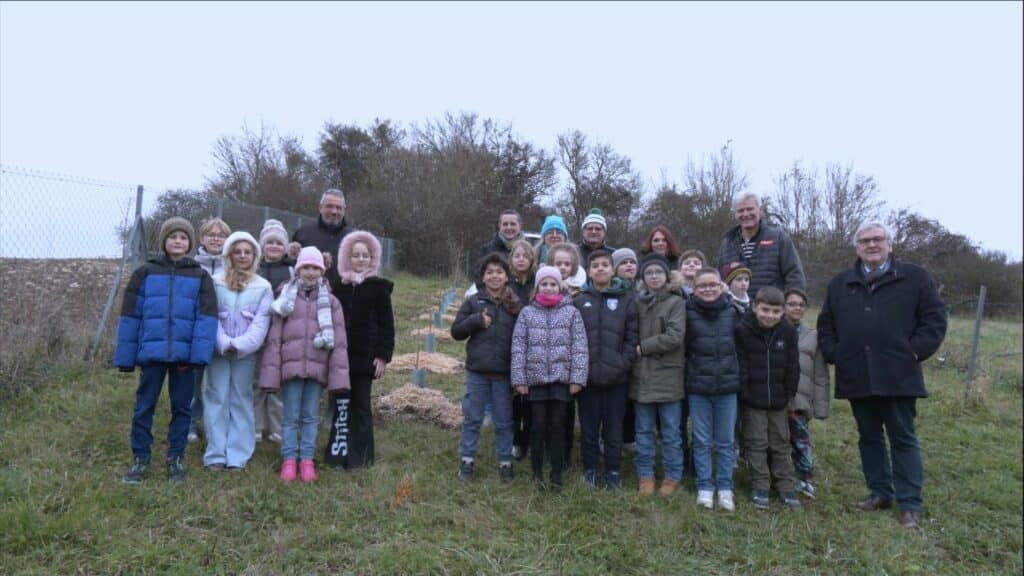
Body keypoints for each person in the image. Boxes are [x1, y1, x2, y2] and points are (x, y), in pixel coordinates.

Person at [817, 221, 947, 530]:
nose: (872, 245)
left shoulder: (914, 278)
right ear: (857, 248)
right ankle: (879, 492)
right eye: (865, 241)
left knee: (903, 437)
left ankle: (910, 504)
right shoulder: (841, 283)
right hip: (857, 373)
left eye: (878, 239)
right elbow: (826, 324)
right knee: (869, 437)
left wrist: (913, 353)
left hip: (898, 373)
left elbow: (934, 320)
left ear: (889, 244)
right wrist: (837, 354)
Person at [115, 217, 217, 484]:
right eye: (173, 237)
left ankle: (176, 459)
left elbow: (206, 320)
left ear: (190, 243)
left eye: (184, 237)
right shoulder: (145, 273)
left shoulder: (200, 276)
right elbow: (130, 317)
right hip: (151, 354)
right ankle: (140, 458)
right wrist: (126, 357)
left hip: (184, 357)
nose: (178, 241)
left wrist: (199, 356)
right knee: (144, 406)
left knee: (182, 408)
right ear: (164, 240)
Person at [260, 247, 349, 484]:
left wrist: (338, 377)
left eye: (315, 268)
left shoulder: (331, 303)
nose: (310, 272)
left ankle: (307, 459)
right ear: (298, 270)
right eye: (306, 267)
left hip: (317, 370)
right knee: (290, 417)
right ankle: (289, 459)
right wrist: (271, 374)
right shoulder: (284, 299)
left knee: (310, 416)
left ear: (322, 271)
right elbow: (274, 339)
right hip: (291, 369)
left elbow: (339, 343)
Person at [511, 265, 588, 491]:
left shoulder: (571, 312)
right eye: (544, 284)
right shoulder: (527, 313)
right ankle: (536, 473)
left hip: (561, 380)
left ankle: (557, 472)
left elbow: (580, 347)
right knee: (537, 425)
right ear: (537, 287)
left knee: (557, 426)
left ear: (559, 287)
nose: (548, 287)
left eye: (552, 284)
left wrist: (577, 378)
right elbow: (518, 347)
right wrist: (519, 379)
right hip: (534, 381)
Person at [204, 231, 273, 471]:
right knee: (216, 397)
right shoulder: (215, 281)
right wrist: (223, 343)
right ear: (229, 254)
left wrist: (241, 345)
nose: (242, 256)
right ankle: (215, 453)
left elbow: (261, 323)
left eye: (247, 252)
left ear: (254, 255)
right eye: (237, 251)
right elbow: (211, 317)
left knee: (241, 399)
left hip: (245, 354)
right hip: (218, 351)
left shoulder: (263, 286)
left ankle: (237, 455)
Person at [326, 230, 395, 469]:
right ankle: (338, 453)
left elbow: (387, 325)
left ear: (373, 258)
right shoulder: (338, 287)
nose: (361, 259)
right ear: (347, 257)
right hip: (340, 358)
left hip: (365, 359)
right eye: (356, 255)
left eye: (366, 255)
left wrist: (383, 356)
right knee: (342, 404)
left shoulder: (379, 288)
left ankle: (362, 456)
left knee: (362, 406)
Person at [452, 253, 522, 483]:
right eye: (489, 272)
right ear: (482, 277)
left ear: (506, 276)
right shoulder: (474, 302)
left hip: (503, 374)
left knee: (504, 420)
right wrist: (475, 321)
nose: (494, 276)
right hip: (478, 373)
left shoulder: (514, 304)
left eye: (499, 272)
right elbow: (456, 331)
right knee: (473, 418)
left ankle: (504, 462)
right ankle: (467, 460)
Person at [573, 249, 639, 490]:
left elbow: (633, 339)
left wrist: (622, 365)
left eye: (605, 265)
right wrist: (581, 369)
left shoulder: (627, 300)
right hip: (587, 379)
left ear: (613, 270)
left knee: (614, 429)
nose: (600, 268)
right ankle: (590, 469)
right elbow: (574, 339)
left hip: (616, 379)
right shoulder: (580, 300)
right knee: (589, 428)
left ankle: (613, 471)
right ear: (589, 272)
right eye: (595, 265)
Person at [736, 286, 801, 510]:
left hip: (779, 401)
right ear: (754, 307)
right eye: (765, 310)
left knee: (781, 442)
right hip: (753, 400)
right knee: (756, 442)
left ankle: (785, 485)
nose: (770, 316)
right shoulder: (743, 330)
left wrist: (788, 393)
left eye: (775, 311)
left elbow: (793, 366)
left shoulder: (788, 332)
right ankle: (760, 484)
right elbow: (741, 364)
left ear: (782, 311)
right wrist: (745, 392)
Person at [686, 267, 742, 510]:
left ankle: (726, 487)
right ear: (694, 289)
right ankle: (705, 487)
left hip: (727, 387)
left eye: (712, 285)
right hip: (698, 387)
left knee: (725, 441)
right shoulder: (686, 312)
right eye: (702, 286)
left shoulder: (734, 312)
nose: (708, 289)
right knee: (701, 440)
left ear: (721, 287)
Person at [631, 254, 686, 496]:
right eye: (649, 272)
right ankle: (646, 475)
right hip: (641, 377)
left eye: (658, 272)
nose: (654, 276)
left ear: (667, 276)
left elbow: (675, 336)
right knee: (643, 431)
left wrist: (644, 347)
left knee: (671, 433)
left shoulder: (677, 303)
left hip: (668, 378)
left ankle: (673, 475)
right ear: (643, 278)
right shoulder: (636, 303)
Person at [784, 288, 831, 500]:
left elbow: (820, 375)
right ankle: (780, 478)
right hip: (776, 398)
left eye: (801, 305)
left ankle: (806, 479)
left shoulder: (813, 337)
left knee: (801, 441)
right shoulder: (772, 330)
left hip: (800, 401)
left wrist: (820, 406)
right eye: (792, 304)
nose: (797, 308)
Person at [188, 217, 232, 443]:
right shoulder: (192, 265)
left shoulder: (233, 265)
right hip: (197, 331)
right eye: (211, 234)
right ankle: (190, 424)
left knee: (219, 382)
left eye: (221, 235)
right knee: (194, 380)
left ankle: (217, 421)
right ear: (202, 238)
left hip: (225, 331)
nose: (216, 238)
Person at [716, 192, 805, 298]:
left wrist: (790, 302)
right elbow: (719, 278)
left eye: (750, 209)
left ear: (761, 211)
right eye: (740, 210)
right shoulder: (727, 242)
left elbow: (794, 274)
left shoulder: (779, 237)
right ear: (735, 214)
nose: (745, 214)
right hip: (734, 311)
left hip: (770, 310)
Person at [253, 219, 293, 444]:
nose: (275, 246)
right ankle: (257, 426)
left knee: (278, 384)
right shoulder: (255, 267)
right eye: (270, 242)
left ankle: (277, 428)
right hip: (257, 335)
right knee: (257, 382)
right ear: (262, 245)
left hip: (282, 336)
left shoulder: (292, 268)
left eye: (279, 243)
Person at [507, 239, 537, 459]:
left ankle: (530, 438)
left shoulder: (538, 284)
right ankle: (516, 441)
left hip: (534, 347)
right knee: (515, 399)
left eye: (525, 256)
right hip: (511, 345)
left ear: (532, 260)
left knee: (531, 399)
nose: (521, 259)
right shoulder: (506, 284)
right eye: (517, 255)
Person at [292, 189, 350, 298]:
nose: (334, 211)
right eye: (329, 206)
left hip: (344, 302)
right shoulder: (303, 233)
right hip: (308, 301)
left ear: (344, 210)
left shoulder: (353, 238)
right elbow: (292, 265)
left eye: (338, 208)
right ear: (320, 208)